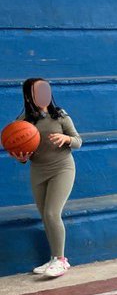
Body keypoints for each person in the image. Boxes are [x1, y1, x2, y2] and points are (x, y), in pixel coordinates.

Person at [10, 79, 82, 278]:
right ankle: (53, 258)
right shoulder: (23, 121)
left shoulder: (60, 115)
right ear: (29, 96)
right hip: (38, 171)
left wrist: (66, 139)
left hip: (63, 168)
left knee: (52, 213)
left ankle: (61, 260)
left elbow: (78, 141)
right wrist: (22, 158)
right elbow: (23, 155)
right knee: (45, 217)